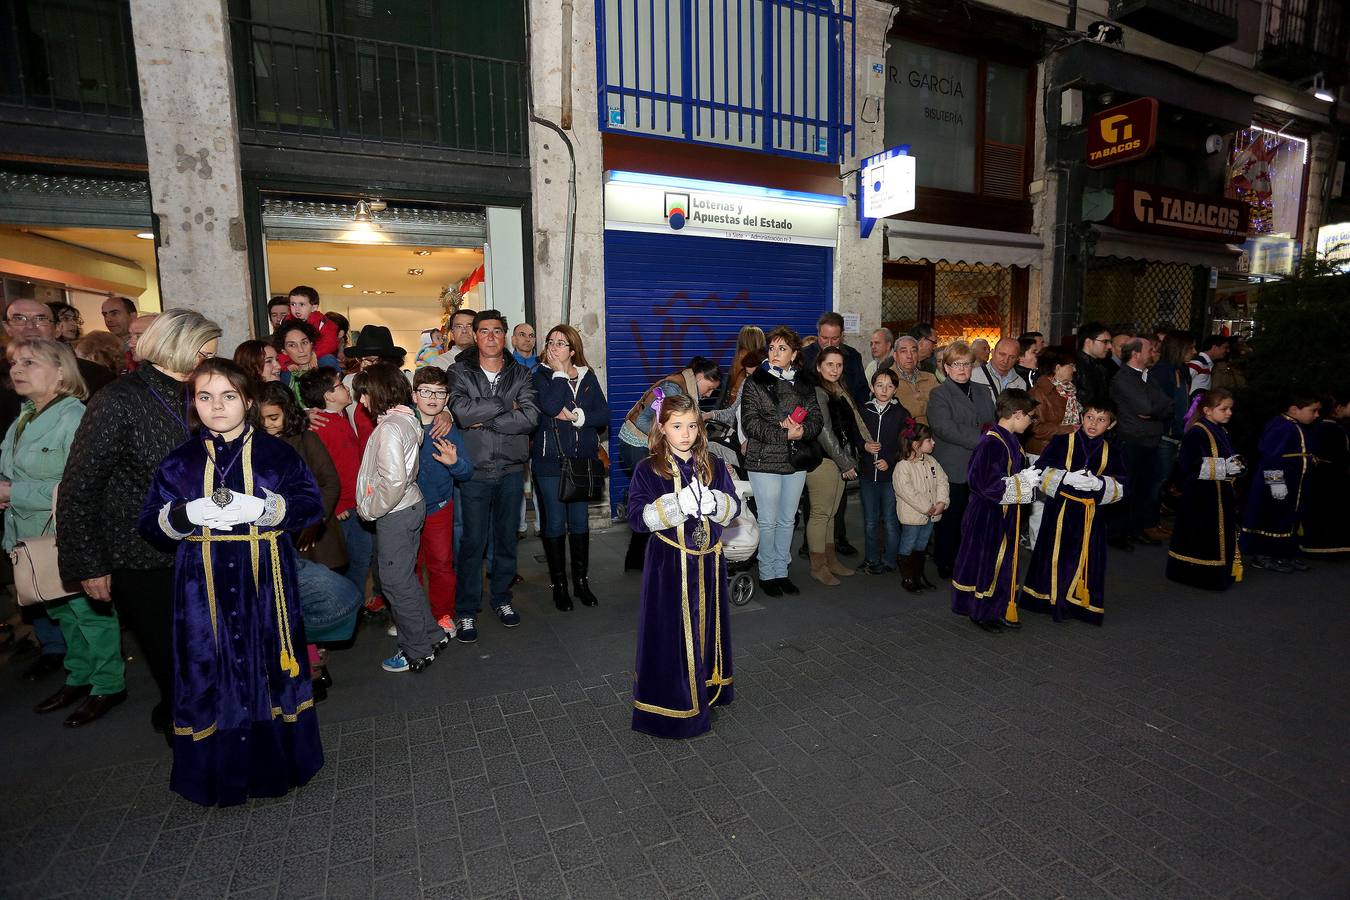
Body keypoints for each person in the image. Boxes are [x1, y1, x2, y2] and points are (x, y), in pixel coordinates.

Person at [138, 358, 324, 806]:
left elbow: (310, 503)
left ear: (247, 400)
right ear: (193, 403)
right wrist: (184, 516)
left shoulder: (276, 452)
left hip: (265, 576)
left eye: (227, 396)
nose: (216, 406)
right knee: (208, 665)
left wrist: (265, 510)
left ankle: (278, 764)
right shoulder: (178, 463)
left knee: (268, 662)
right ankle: (216, 773)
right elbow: (148, 524)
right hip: (200, 586)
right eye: (205, 396)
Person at [57, 309, 222, 740]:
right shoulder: (119, 399)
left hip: (200, 547)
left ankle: (199, 721)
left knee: (205, 652)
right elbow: (80, 486)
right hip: (142, 556)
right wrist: (89, 564)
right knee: (174, 657)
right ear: (178, 347)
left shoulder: (198, 393)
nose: (208, 364)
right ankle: (191, 740)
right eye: (203, 354)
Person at [3, 338, 126, 725]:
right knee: (60, 609)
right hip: (32, 534)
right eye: (13, 362)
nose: (17, 369)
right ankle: (80, 676)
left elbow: (77, 485)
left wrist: (13, 492)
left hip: (65, 532)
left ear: (61, 372)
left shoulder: (73, 418)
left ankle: (109, 683)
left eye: (29, 362)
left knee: (88, 611)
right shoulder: (25, 414)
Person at [627, 393, 739, 740]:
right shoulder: (648, 469)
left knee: (707, 629)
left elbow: (733, 506)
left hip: (709, 564)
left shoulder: (714, 464)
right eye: (677, 426)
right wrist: (676, 505)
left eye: (692, 426)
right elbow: (636, 519)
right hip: (669, 567)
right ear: (662, 428)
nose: (686, 433)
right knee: (671, 634)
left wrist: (717, 502)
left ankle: (706, 687)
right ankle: (674, 706)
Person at [448, 310, 540, 643]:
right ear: (474, 335)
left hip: (512, 470)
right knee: (472, 543)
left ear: (504, 336)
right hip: (474, 470)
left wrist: (482, 417)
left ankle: (501, 599)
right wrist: (505, 405)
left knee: (505, 540)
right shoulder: (459, 371)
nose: (490, 337)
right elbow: (460, 412)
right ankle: (467, 611)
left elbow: (530, 417)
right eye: (484, 331)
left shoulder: (521, 372)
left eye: (497, 331)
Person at [354, 363, 452, 671]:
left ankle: (417, 651)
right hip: (409, 506)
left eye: (364, 394)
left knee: (397, 585)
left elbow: (394, 481)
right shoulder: (404, 420)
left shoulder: (390, 428)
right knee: (406, 581)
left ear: (378, 392)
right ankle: (432, 634)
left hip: (395, 511)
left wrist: (369, 508)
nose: (361, 401)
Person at [1019, 401, 1127, 625]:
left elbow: (1123, 484)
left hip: (1090, 514)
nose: (1093, 424)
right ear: (1081, 418)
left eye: (1101, 420)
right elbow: (1039, 470)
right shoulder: (1061, 441)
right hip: (1060, 509)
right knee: (1054, 553)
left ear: (1111, 424)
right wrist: (1065, 477)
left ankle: (1075, 603)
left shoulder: (1113, 451)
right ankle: (1045, 598)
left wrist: (1099, 484)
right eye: (1089, 417)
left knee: (1083, 556)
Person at [618, 357, 722, 570]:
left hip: (641, 444)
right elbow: (667, 427)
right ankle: (644, 558)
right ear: (700, 377)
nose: (709, 394)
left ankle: (638, 559)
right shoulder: (674, 388)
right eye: (709, 388)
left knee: (656, 500)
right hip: (638, 444)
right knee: (656, 501)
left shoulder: (681, 385)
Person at [739, 327, 822, 597]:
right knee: (769, 520)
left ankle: (781, 571)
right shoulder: (755, 381)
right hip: (764, 459)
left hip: (795, 458)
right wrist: (783, 432)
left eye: (782, 349)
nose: (775, 354)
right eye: (772, 348)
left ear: (794, 354)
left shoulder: (804, 381)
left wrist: (803, 431)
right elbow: (750, 423)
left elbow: (816, 418)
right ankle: (766, 573)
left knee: (788, 520)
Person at [950, 389, 1040, 633]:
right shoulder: (992, 441)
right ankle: (981, 612)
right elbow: (980, 482)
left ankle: (998, 607)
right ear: (1017, 413)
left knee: (1002, 562)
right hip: (987, 514)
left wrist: (1023, 479)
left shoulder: (1011, 439)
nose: (1032, 422)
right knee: (987, 562)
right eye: (1031, 416)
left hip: (1003, 512)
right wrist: (1020, 483)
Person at [533, 324, 609, 611]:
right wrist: (560, 374)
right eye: (551, 341)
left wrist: (577, 417)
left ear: (573, 349)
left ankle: (581, 582)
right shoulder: (540, 375)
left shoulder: (588, 377)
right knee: (554, 523)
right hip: (550, 462)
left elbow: (603, 415)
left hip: (581, 462)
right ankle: (560, 586)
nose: (554, 347)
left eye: (561, 343)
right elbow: (551, 406)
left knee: (579, 523)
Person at [298, 366, 373, 603]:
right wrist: (337, 505)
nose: (345, 387)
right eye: (340, 385)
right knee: (347, 564)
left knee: (361, 562)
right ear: (328, 395)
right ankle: (346, 611)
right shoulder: (319, 427)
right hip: (343, 510)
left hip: (358, 502)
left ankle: (355, 609)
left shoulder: (342, 415)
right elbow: (317, 472)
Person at [927, 341, 997, 579]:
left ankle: (971, 558)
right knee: (951, 517)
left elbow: (991, 420)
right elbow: (945, 428)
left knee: (975, 517)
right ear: (946, 368)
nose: (961, 369)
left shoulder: (982, 390)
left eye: (966, 364)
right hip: (953, 465)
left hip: (980, 464)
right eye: (956, 364)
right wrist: (984, 438)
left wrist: (990, 436)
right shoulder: (939, 394)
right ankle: (946, 561)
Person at [411, 366, 473, 633]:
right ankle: (411, 616)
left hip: (438, 506)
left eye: (439, 392)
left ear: (447, 398)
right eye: (426, 391)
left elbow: (467, 470)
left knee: (441, 564)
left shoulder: (447, 428)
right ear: (414, 395)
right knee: (409, 566)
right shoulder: (401, 423)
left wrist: (454, 462)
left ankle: (443, 614)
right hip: (405, 509)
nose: (432, 398)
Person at [1166, 389, 1244, 589]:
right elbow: (1188, 464)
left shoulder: (1221, 430)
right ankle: (1199, 573)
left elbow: (1231, 454)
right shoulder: (1197, 432)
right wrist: (1224, 467)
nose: (1229, 413)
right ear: (1208, 410)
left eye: (1230, 409)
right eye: (1224, 409)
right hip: (1201, 495)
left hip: (1220, 492)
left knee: (1216, 533)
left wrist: (1237, 464)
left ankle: (1217, 571)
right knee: (1201, 534)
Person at [1241, 392, 1320, 573]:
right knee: (1272, 518)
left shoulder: (1297, 426)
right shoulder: (1280, 427)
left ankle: (1284, 553)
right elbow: (1270, 458)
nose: (1316, 415)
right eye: (1313, 410)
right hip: (1277, 484)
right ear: (1294, 409)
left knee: (1289, 518)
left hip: (1294, 485)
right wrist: (1276, 484)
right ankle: (1263, 555)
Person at [805, 347, 863, 586]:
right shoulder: (818, 391)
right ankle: (817, 566)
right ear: (819, 366)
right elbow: (824, 432)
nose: (835, 369)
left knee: (830, 514)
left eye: (838, 365)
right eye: (830, 364)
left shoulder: (838, 389)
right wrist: (845, 462)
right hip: (823, 461)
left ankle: (830, 560)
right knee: (820, 514)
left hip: (836, 460)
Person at [1109, 337, 1171, 549]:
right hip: (1132, 440)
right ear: (1136, 354)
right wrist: (1156, 410)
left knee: (1143, 489)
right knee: (1126, 488)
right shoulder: (1123, 378)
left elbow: (1167, 404)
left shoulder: (1147, 377)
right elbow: (1147, 407)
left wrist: (1155, 411)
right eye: (1149, 349)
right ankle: (1118, 533)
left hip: (1150, 440)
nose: (1153, 352)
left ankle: (1136, 529)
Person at [4, 300, 115, 412]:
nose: (30, 326)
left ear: (57, 328)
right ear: (6, 327)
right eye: (19, 319)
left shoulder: (96, 375)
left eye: (41, 319)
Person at [857, 369, 906, 575]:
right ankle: (871, 558)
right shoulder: (863, 410)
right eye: (879, 385)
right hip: (867, 475)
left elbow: (905, 445)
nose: (884, 390)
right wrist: (864, 446)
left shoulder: (901, 414)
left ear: (895, 390)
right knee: (870, 520)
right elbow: (853, 435)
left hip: (889, 477)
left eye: (889, 386)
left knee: (890, 520)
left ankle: (889, 559)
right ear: (871, 387)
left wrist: (890, 461)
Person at [892, 420, 948, 593]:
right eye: (929, 440)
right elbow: (906, 491)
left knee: (922, 544)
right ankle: (908, 577)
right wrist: (928, 507)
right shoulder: (903, 466)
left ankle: (918, 575)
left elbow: (942, 481)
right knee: (909, 543)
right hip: (913, 515)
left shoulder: (931, 461)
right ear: (916, 444)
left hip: (931, 512)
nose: (933, 443)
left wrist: (941, 502)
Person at [1298, 390, 1350, 557]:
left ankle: (1318, 542)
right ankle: (1330, 544)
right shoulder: (1333, 429)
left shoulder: (1320, 427)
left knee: (1322, 510)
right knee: (1331, 510)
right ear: (1338, 408)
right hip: (1334, 478)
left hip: (1321, 478)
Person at [800, 311, 868, 408]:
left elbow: (862, 390)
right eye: (824, 338)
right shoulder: (804, 356)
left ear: (842, 335)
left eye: (835, 338)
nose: (829, 343)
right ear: (818, 333)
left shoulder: (853, 356)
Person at [1025, 348, 1080, 457]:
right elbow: (1035, 428)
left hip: (1064, 450)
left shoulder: (1068, 390)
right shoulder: (1039, 392)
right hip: (1042, 453)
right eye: (1071, 365)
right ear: (1058, 368)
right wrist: (1070, 429)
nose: (1074, 370)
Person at [879, 335, 940, 424]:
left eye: (914, 351)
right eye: (904, 351)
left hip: (932, 433)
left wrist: (923, 396)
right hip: (900, 434)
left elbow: (943, 405)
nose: (909, 356)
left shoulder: (930, 378)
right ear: (895, 356)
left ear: (918, 355)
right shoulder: (887, 379)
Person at [280, 286, 341, 367]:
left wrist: (315, 354)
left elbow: (331, 341)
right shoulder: (286, 322)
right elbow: (279, 346)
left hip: (317, 356)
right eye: (293, 304)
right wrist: (287, 362)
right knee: (285, 372)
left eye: (302, 304)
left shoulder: (321, 322)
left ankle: (333, 379)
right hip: (294, 359)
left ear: (314, 307)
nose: (296, 309)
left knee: (328, 360)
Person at [1073, 322, 1114, 408]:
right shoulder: (1074, 367)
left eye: (1110, 342)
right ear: (1088, 342)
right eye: (1105, 341)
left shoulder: (1103, 365)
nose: (1110, 346)